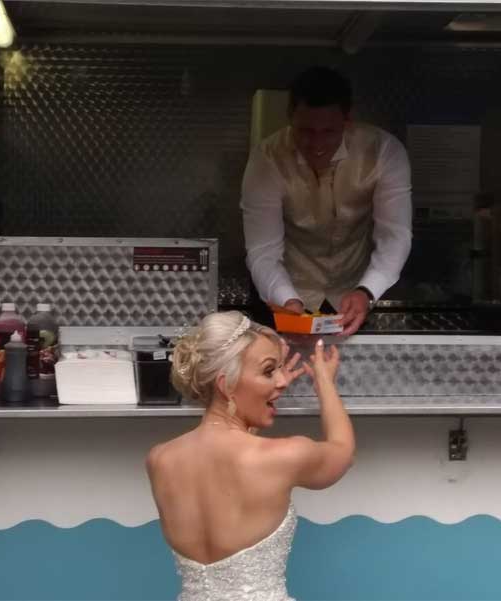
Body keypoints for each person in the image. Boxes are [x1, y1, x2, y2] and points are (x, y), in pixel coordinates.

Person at [146, 311, 355, 601]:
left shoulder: (160, 460)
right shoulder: (283, 456)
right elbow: (342, 450)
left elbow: (228, 458)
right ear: (226, 385)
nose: (282, 380)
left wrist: (261, 395)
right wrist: (324, 384)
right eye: (269, 371)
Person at [241, 66, 412, 335]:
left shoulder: (384, 151)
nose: (317, 143)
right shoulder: (267, 159)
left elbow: (395, 236)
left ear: (348, 119)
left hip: (354, 294)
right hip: (284, 291)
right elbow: (263, 250)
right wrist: (287, 299)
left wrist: (367, 291)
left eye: (329, 131)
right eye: (306, 131)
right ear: (289, 117)